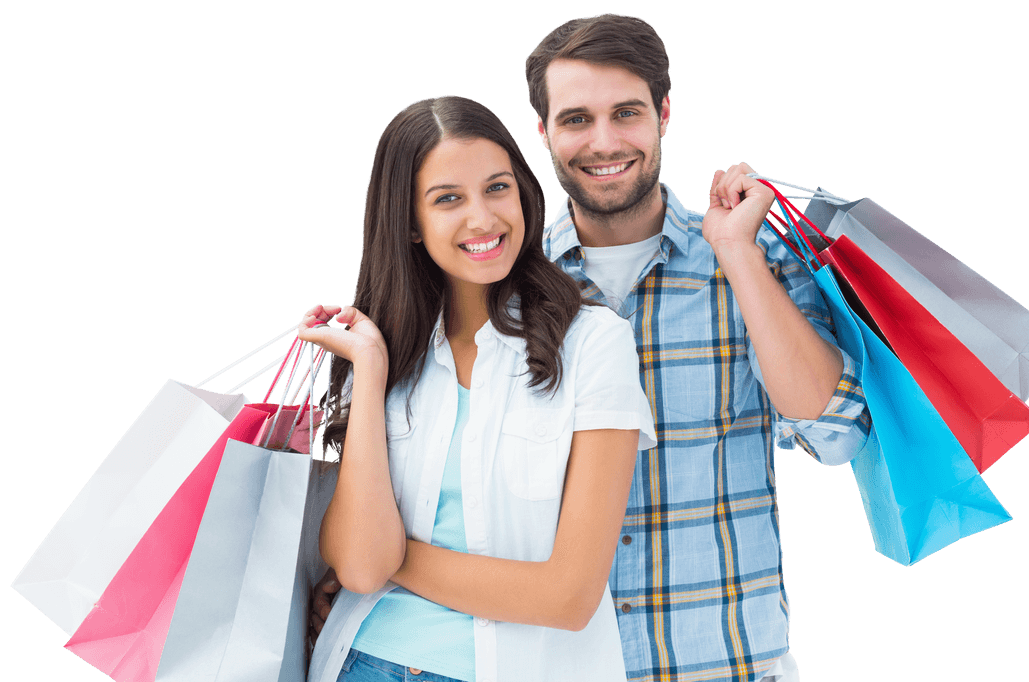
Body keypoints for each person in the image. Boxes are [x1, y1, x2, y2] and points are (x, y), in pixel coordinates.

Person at [313, 15, 871, 682]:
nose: (604, 142)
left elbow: (835, 436)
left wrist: (738, 259)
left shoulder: (752, 258)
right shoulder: (498, 283)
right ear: (544, 132)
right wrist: (363, 583)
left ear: (664, 114)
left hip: (719, 662)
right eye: (577, 119)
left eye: (627, 113)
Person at [299, 95, 657, 682]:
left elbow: (567, 597)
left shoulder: (594, 344)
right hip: (364, 664)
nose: (483, 219)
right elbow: (360, 572)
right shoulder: (381, 349)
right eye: (448, 199)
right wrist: (368, 371)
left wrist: (392, 557)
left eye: (497, 188)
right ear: (410, 223)